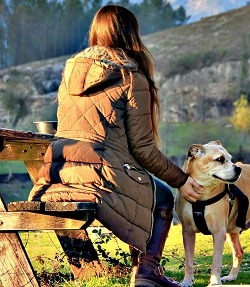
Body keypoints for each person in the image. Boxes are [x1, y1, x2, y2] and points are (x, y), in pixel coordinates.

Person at [28, 4, 203, 287]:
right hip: (101, 174)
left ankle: (123, 271)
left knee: (147, 190)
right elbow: (144, 149)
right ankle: (147, 272)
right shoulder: (131, 78)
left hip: (55, 174)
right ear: (131, 35)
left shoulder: (71, 71)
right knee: (163, 196)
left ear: (96, 32)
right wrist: (181, 180)